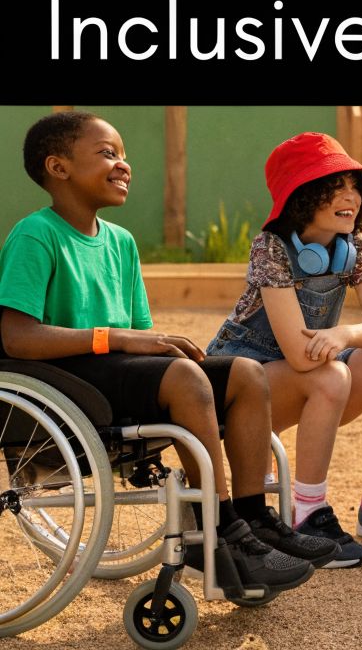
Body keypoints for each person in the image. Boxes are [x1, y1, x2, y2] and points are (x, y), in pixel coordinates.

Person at [0, 111, 330, 598]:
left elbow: (142, 339)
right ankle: (219, 533)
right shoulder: (36, 235)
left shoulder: (121, 243)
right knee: (185, 378)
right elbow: (16, 337)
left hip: (113, 373)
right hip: (64, 382)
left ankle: (254, 521)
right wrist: (114, 338)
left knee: (244, 374)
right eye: (108, 153)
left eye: (124, 155)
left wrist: (141, 343)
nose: (123, 165)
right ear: (58, 166)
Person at [207, 131, 362, 570]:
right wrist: (338, 346)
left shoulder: (353, 248)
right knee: (330, 374)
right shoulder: (272, 248)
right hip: (240, 388)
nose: (351, 197)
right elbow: (300, 354)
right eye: (334, 186)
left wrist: (343, 335)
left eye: (354, 186)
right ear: (302, 197)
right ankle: (307, 515)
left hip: (304, 369)